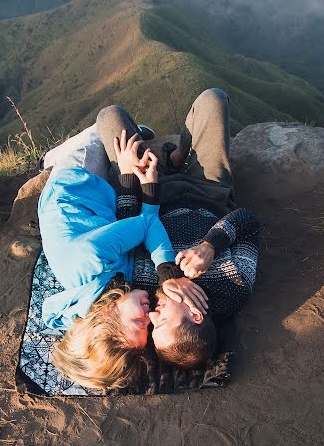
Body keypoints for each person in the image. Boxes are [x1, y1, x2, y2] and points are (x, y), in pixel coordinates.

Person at [98, 88, 261, 370]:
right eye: (161, 322)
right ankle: (179, 156)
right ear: (196, 315)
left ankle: (169, 162)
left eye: (151, 326)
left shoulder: (145, 291)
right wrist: (210, 246)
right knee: (214, 99)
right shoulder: (234, 289)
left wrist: (127, 175)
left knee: (110, 117)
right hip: (211, 190)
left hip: (153, 191)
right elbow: (249, 222)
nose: (150, 318)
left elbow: (128, 227)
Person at [38, 130, 207, 390]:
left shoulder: (90, 258)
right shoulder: (108, 293)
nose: (150, 315)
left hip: (78, 182)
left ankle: (56, 156)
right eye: (148, 327)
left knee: (111, 131)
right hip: (102, 212)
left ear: (107, 313)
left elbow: (148, 224)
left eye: (139, 322)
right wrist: (147, 193)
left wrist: (168, 274)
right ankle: (52, 158)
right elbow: (144, 222)